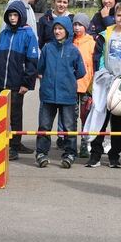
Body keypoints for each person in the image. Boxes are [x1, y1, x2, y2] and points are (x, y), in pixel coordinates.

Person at [84, 0, 121, 168]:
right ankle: (95, 154)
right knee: (99, 117)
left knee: (119, 122)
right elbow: (98, 55)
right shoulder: (105, 34)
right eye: (118, 15)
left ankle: (114, 155)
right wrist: (102, 72)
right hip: (104, 80)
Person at [36, 15, 86, 168]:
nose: (57, 31)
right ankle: (41, 153)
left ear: (67, 31)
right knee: (44, 126)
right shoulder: (47, 48)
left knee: (69, 127)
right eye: (55, 29)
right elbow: (40, 68)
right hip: (48, 94)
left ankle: (70, 153)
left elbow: (81, 72)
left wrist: (67, 80)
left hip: (67, 95)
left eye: (60, 29)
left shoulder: (74, 50)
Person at [0, 0, 40, 159]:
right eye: (10, 15)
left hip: (17, 83)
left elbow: (32, 61)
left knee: (15, 114)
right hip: (1, 83)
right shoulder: (3, 34)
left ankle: (15, 144)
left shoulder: (28, 35)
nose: (13, 18)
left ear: (21, 16)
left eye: (15, 15)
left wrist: (27, 83)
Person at [72, 13, 100, 146]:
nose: (77, 28)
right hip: (72, 86)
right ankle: (70, 144)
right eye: (75, 25)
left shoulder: (92, 43)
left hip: (86, 86)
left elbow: (94, 64)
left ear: (86, 26)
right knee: (71, 117)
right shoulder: (70, 42)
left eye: (80, 25)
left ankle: (84, 144)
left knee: (85, 116)